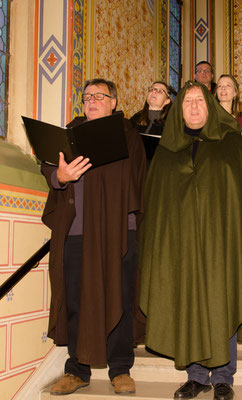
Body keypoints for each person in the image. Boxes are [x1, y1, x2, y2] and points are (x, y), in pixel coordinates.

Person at [139, 81, 242, 400]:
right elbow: (155, 208)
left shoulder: (233, 145)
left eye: (200, 100)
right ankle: (196, 376)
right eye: (187, 102)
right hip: (180, 247)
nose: (194, 106)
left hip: (222, 245)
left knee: (220, 302)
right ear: (179, 109)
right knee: (188, 303)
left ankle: (224, 377)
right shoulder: (166, 152)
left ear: (210, 106)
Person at [41, 79, 146, 395]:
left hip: (118, 231)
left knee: (121, 298)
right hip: (78, 231)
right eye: (87, 96)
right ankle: (76, 371)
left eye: (100, 96)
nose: (92, 100)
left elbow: (141, 181)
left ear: (114, 102)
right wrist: (59, 176)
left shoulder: (129, 135)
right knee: (76, 301)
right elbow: (49, 168)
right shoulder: (68, 134)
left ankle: (120, 369)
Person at [131, 81, 172, 160]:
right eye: (152, 89)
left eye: (160, 91)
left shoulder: (171, 123)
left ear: (167, 101)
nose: (154, 91)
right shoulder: (135, 119)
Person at [215, 74, 242, 154]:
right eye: (219, 86)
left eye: (228, 85)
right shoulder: (207, 117)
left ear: (235, 93)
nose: (223, 88)